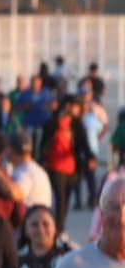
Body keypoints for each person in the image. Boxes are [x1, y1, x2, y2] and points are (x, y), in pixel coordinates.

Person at [41, 95, 91, 233]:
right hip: (55, 166)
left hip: (72, 168)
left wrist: (90, 157)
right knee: (60, 197)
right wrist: (42, 160)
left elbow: (83, 143)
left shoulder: (76, 124)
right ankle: (58, 227)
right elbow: (44, 144)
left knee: (66, 199)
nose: (78, 109)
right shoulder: (52, 123)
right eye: (76, 106)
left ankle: (60, 224)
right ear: (68, 106)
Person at [8, 130, 54, 210]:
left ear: (10, 150)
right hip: (39, 216)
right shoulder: (36, 169)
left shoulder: (24, 172)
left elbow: (16, 194)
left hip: (31, 219)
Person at [79, 88, 109, 209]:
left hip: (92, 149)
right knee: (78, 176)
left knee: (90, 175)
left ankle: (91, 199)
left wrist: (99, 137)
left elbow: (104, 125)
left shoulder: (96, 111)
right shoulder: (78, 112)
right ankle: (78, 201)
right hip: (79, 149)